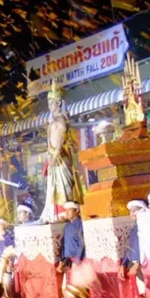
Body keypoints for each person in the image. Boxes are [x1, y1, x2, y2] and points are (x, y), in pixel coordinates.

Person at [40, 81, 85, 224]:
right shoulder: (53, 121)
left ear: (58, 103)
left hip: (59, 159)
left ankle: (64, 214)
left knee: (61, 186)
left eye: (52, 103)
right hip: (52, 157)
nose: (49, 106)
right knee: (52, 187)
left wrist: (55, 156)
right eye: (48, 103)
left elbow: (60, 142)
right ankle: (54, 214)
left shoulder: (60, 121)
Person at [119, 199, 150, 298]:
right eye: (131, 210)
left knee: (149, 297)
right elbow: (130, 249)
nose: (132, 213)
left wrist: (137, 264)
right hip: (135, 265)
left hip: (143, 266)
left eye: (135, 210)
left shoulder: (146, 227)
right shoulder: (133, 229)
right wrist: (123, 264)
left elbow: (145, 248)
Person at [56, 202, 88, 298]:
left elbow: (83, 243)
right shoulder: (67, 226)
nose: (67, 213)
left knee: (81, 292)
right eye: (67, 211)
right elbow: (64, 246)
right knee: (66, 290)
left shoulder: (80, 224)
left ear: (77, 211)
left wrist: (78, 261)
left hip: (79, 261)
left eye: (70, 211)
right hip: (69, 262)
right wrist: (62, 262)